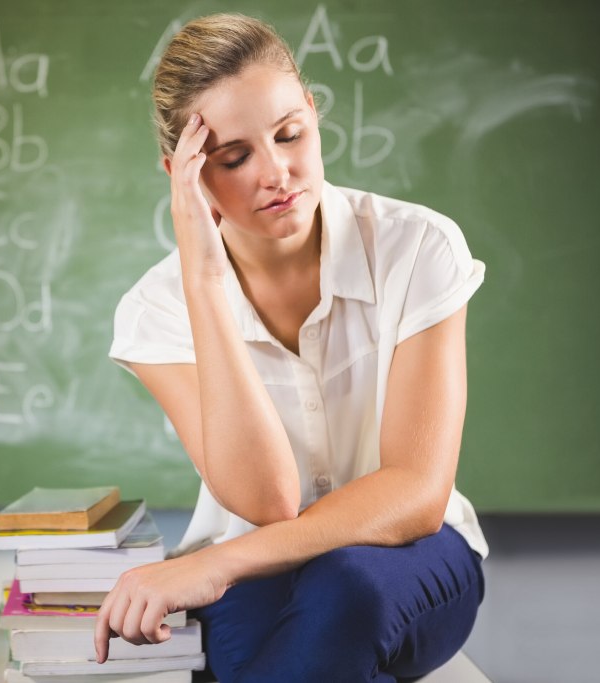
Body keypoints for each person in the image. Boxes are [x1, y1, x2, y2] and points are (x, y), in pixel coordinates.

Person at [96, 13, 487, 682]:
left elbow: (417, 491)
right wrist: (205, 279)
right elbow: (267, 497)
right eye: (235, 157)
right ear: (183, 174)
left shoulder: (419, 247)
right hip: (256, 573)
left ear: (312, 110)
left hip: (412, 556)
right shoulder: (156, 309)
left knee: (346, 588)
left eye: (289, 134)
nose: (278, 171)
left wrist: (214, 564)